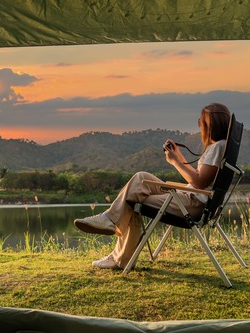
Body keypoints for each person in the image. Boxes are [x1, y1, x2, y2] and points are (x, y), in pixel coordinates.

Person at [73, 103, 231, 269]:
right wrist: (177, 156)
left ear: (210, 125)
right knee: (141, 178)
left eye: (201, 122)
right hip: (189, 196)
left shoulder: (217, 147)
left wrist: (175, 162)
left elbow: (200, 182)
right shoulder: (221, 146)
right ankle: (110, 225)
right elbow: (200, 178)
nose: (199, 127)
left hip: (192, 203)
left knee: (133, 199)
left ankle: (118, 251)